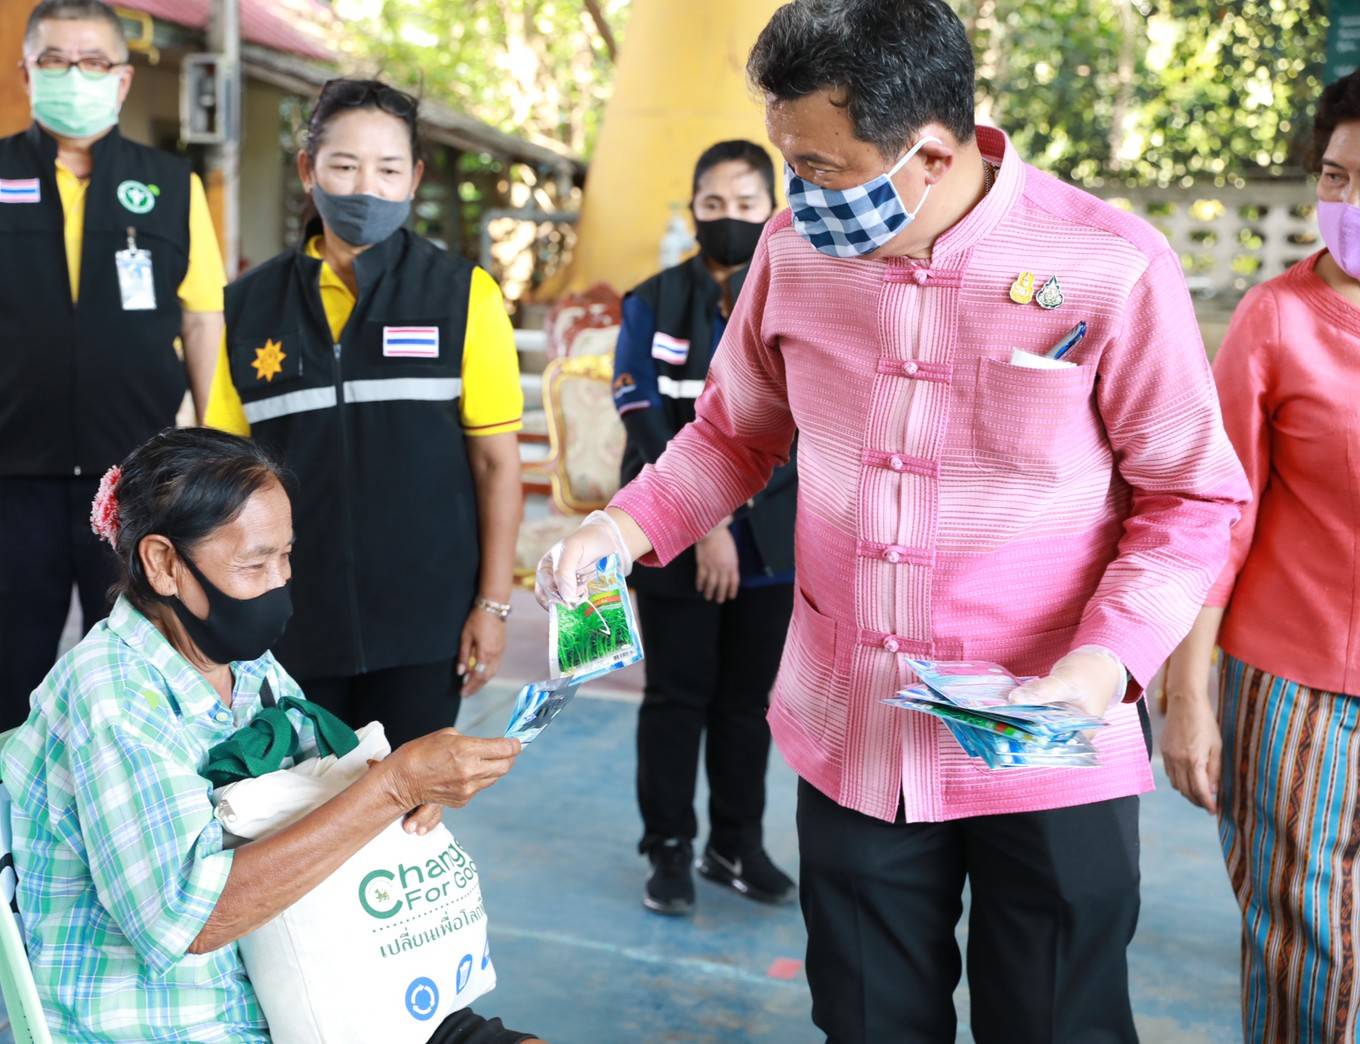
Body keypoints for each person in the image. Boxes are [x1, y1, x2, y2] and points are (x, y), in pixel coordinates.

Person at [537, 1, 1252, 1039]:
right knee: (869, 1020)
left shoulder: (1108, 263)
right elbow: (732, 435)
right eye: (788, 161)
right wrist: (622, 527)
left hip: (1048, 742)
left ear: (924, 154)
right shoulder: (791, 255)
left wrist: (1102, 665)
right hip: (857, 733)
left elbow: (1190, 497)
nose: (794, 194)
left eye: (818, 166)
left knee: (1056, 1021)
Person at [1, 427, 536, 1043]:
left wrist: (398, 799)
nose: (281, 582)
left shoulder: (241, 663)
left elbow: (315, 791)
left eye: (285, 556)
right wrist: (390, 788)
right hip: (186, 1023)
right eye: (254, 564)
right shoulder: (112, 696)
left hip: (307, 983)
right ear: (163, 563)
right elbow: (187, 921)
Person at [0, 0, 226, 743]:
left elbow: (202, 319)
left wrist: (213, 450)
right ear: (25, 73)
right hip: (1, 476)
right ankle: (8, 848)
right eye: (54, 61)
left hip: (135, 488)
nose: (72, 76)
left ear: (120, 81)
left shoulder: (171, 186)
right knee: (4, 682)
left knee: (137, 680)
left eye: (92, 62)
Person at [205, 79, 524, 746]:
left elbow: (497, 466)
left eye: (386, 168)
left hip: (427, 620)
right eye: (344, 166)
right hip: (288, 619)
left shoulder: (464, 296)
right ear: (308, 170)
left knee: (405, 819)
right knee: (300, 818)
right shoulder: (246, 308)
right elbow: (222, 477)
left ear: (413, 179)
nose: (365, 188)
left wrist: (491, 606)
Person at [1159, 69, 1360, 1044]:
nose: (1347, 205)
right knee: (1310, 968)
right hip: (1294, 697)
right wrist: (1186, 695)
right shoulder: (1273, 319)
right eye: (1334, 176)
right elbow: (1211, 520)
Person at [612, 140, 797, 915]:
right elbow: (640, 409)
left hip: (773, 544)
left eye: (746, 205)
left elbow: (805, 424)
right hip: (672, 531)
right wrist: (706, 518)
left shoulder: (803, 298)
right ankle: (669, 848)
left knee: (747, 703)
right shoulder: (650, 300)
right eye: (713, 205)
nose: (728, 219)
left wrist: (739, 518)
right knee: (676, 697)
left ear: (774, 208)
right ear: (693, 210)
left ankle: (737, 843)